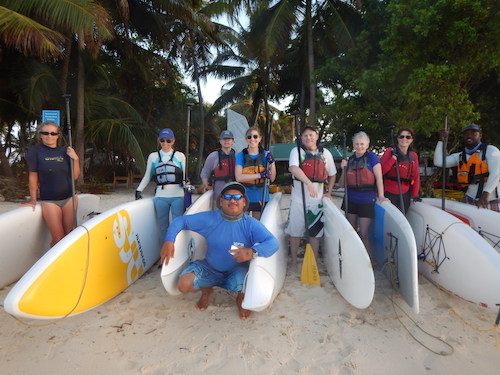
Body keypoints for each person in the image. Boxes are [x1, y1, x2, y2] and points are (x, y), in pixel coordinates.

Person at [160, 182, 279, 320]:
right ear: (221, 201)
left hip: (236, 270)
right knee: (183, 285)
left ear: (244, 202)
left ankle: (240, 299)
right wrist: (169, 241)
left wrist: (252, 251)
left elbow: (273, 243)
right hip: (210, 267)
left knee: (242, 285)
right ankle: (206, 291)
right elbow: (181, 221)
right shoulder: (210, 218)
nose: (232, 200)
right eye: (227, 197)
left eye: (237, 197)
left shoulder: (251, 224)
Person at [285, 125, 337, 271]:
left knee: (316, 233)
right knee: (294, 232)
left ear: (317, 136)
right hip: (298, 199)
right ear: (302, 138)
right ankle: (294, 261)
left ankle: (314, 260)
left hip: (317, 200)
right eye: (305, 135)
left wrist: (329, 192)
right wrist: (308, 183)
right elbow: (293, 168)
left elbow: (332, 173)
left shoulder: (325, 153)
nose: (308, 138)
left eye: (311, 135)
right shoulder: (296, 151)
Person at [24, 120, 80, 247]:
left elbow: (75, 176)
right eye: (46, 133)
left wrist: (76, 159)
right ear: (40, 135)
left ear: (58, 135)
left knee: (68, 234)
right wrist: (33, 199)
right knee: (58, 239)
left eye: (53, 133)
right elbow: (33, 177)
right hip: (50, 200)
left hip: (69, 198)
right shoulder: (35, 151)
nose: (49, 136)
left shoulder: (65, 152)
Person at [433, 124, 500, 211]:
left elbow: (496, 173)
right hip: (470, 199)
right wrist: (441, 140)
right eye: (466, 134)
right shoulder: (460, 156)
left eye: (473, 133)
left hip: (491, 199)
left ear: (480, 135)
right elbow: (439, 162)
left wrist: (485, 194)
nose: (469, 135)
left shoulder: (491, 150)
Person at [339, 131, 388, 251]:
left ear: (367, 145)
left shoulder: (372, 157)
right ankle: (352, 255)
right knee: (351, 232)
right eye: (356, 144)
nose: (359, 146)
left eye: (362, 144)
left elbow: (379, 177)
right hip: (351, 200)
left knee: (364, 234)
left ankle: (368, 260)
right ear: (353, 145)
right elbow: (341, 184)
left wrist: (381, 195)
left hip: (366, 201)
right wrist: (343, 169)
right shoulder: (349, 160)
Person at [135, 128, 186, 241]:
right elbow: (148, 176)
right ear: (159, 141)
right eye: (162, 140)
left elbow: (184, 176)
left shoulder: (180, 156)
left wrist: (187, 184)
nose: (165, 143)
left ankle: (176, 249)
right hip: (161, 196)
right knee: (163, 227)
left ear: (173, 141)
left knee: (177, 225)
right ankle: (164, 250)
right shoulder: (153, 156)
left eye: (168, 140)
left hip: (178, 196)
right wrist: (139, 190)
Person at [235, 127, 276, 220]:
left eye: (255, 136)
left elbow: (272, 178)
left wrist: (272, 163)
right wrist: (260, 175)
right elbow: (239, 177)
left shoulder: (265, 154)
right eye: (249, 137)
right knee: (243, 223)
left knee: (257, 224)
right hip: (245, 194)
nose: (252, 139)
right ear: (246, 139)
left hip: (261, 195)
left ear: (260, 138)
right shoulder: (241, 155)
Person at [380, 127, 420, 213]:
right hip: (389, 193)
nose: (404, 139)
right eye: (402, 136)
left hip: (405, 194)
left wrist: (415, 194)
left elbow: (416, 177)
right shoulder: (389, 151)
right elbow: (381, 172)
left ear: (412, 139)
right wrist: (393, 159)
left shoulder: (413, 155)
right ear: (397, 138)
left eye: (408, 137)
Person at [200, 130, 236, 201]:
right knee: (219, 209)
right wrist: (206, 186)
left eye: (229, 139)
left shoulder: (238, 155)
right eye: (224, 139)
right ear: (220, 141)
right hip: (218, 188)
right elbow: (205, 173)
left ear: (232, 141)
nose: (226, 141)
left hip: (234, 187)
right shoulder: (213, 156)